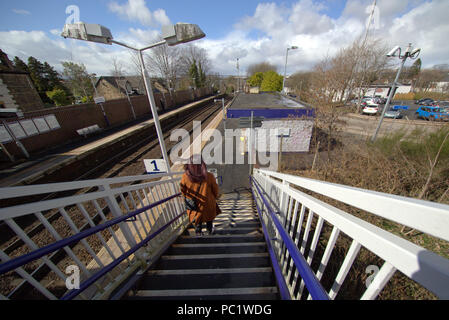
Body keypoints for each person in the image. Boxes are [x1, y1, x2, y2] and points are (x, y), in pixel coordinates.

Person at [180, 155, 220, 235]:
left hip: (194, 204)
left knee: (197, 218)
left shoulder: (185, 177)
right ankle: (209, 230)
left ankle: (198, 232)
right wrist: (214, 197)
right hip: (208, 203)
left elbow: (182, 190)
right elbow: (215, 190)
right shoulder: (209, 176)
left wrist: (186, 197)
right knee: (209, 218)